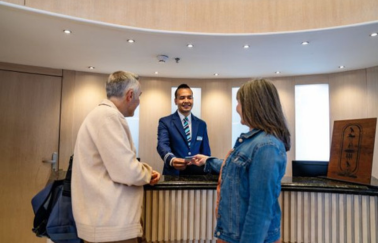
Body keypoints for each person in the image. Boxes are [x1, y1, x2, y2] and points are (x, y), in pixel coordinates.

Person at [191, 79, 290, 243]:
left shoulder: (267, 146)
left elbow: (260, 209)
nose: (237, 108)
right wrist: (208, 161)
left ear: (253, 106)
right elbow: (238, 169)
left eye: (239, 102)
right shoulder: (255, 142)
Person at [72, 71, 161, 243]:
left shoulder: (101, 115)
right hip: (110, 225)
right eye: (139, 96)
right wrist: (147, 173)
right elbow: (127, 171)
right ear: (130, 95)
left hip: (105, 221)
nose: (139, 102)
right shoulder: (108, 116)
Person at [157, 84, 211, 175]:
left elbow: (205, 151)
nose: (186, 101)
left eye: (189, 97)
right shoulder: (165, 122)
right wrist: (172, 160)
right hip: (173, 174)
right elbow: (162, 145)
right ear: (176, 101)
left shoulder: (201, 124)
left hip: (197, 176)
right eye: (182, 98)